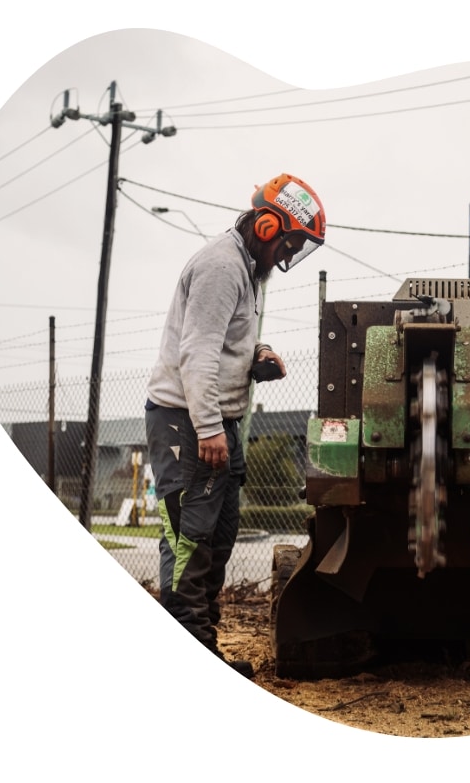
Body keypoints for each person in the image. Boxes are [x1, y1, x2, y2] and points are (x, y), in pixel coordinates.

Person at [144, 173, 326, 678]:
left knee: (217, 539)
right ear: (268, 226)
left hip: (216, 417)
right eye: (289, 243)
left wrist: (257, 356)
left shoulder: (247, 271)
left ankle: (204, 646)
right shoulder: (223, 267)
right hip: (188, 422)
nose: (287, 257)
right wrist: (207, 429)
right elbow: (196, 353)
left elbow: (223, 345)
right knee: (189, 542)